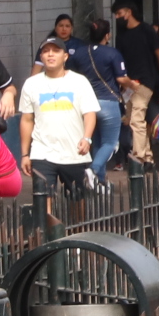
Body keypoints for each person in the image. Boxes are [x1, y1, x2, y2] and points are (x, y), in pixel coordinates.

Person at [20, 37, 98, 198]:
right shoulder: (31, 84)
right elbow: (27, 119)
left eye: (56, 51)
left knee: (77, 200)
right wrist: (25, 154)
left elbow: (90, 113)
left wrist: (87, 138)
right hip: (42, 152)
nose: (50, 55)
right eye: (46, 51)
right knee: (43, 198)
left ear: (65, 56)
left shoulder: (79, 81)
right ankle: (47, 224)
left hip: (74, 152)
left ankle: (78, 225)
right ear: (41, 57)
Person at [65, 17, 131, 184]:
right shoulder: (112, 53)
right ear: (107, 36)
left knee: (95, 142)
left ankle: (100, 181)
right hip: (108, 103)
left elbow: (70, 75)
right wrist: (135, 86)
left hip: (86, 104)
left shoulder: (79, 52)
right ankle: (93, 170)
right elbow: (122, 79)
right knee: (110, 142)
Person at [115, 3, 159, 167]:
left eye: (119, 12)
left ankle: (139, 158)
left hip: (146, 81)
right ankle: (148, 157)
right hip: (128, 84)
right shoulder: (121, 35)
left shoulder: (146, 30)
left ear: (128, 12)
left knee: (137, 119)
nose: (117, 17)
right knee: (134, 120)